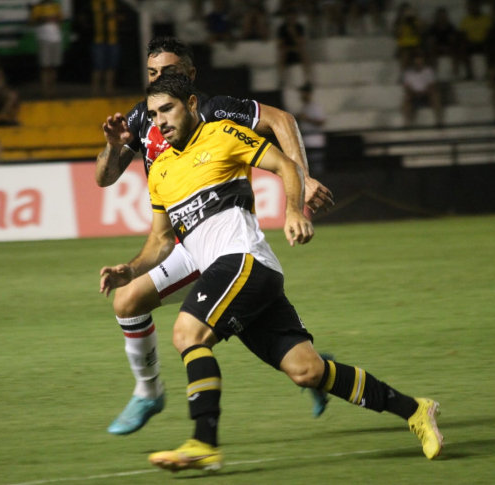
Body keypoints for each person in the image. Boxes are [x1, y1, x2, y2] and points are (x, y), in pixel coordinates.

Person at [99, 74, 444, 472]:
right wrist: (129, 269)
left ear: (191, 103)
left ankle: (203, 442)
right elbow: (160, 242)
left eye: (168, 109)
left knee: (187, 334)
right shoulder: (159, 171)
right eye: (155, 113)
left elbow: (283, 164)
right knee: (308, 371)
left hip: (243, 261)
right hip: (239, 277)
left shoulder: (222, 134)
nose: (160, 120)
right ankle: (417, 410)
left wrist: (295, 210)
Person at [95, 37, 334, 436]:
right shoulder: (144, 118)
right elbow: (104, 178)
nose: (158, 80)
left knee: (150, 309)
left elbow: (281, 120)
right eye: (152, 73)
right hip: (183, 239)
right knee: (127, 301)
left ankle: (175, 411)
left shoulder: (209, 109)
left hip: (221, 235)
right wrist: (111, 145)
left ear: (188, 75)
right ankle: (309, 367)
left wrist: (304, 180)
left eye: (168, 73)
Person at [30, 0, 63, 98]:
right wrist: (44, 19)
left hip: (56, 39)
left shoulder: (56, 6)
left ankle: (53, 91)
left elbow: (60, 20)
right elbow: (31, 22)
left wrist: (54, 20)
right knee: (45, 67)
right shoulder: (37, 8)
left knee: (54, 67)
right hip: (44, 39)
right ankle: (45, 91)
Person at [402, 52, 443, 127]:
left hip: (426, 95)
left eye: (420, 61)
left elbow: (432, 85)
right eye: (417, 61)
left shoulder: (428, 71)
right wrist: (415, 93)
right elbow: (407, 87)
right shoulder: (408, 73)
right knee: (406, 98)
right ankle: (406, 123)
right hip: (414, 96)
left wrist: (424, 92)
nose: (419, 63)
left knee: (435, 95)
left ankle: (439, 121)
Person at [91, 0, 120, 96]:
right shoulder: (94, 3)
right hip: (98, 39)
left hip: (113, 39)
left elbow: (122, 16)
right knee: (98, 67)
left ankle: (109, 90)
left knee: (111, 66)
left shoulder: (114, 2)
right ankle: (96, 91)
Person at [458, 0, 493, 80]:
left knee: (489, 46)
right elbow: (463, 36)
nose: (474, 8)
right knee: (462, 47)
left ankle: (489, 71)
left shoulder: (485, 19)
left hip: (483, 43)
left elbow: (488, 34)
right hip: (471, 44)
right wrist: (471, 43)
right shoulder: (465, 20)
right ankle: (469, 72)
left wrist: (481, 42)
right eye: (472, 7)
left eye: (475, 6)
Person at [295, 82, 326, 173]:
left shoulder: (316, 107)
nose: (301, 95)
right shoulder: (304, 107)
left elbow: (321, 122)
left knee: (317, 168)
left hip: (315, 142)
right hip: (306, 142)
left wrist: (306, 118)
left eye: (304, 93)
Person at [277, 7, 311, 86]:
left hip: (297, 51)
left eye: (293, 16)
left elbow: (302, 43)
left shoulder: (300, 27)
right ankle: (281, 80)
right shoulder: (282, 28)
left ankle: (307, 79)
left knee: (304, 53)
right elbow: (280, 45)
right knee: (282, 54)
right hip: (287, 52)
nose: (292, 18)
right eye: (290, 16)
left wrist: (293, 33)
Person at [427, 7, 459, 74]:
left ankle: (455, 73)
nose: (442, 18)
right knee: (431, 53)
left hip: (448, 48)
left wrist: (447, 47)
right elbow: (431, 41)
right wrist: (439, 47)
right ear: (437, 17)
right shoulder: (433, 28)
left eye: (443, 16)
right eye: (440, 16)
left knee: (456, 52)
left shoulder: (450, 27)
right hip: (437, 48)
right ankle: (433, 74)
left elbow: (453, 41)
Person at [393, 2, 424, 73]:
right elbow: (398, 33)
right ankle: (404, 75)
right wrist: (403, 20)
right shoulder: (399, 22)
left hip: (415, 45)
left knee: (420, 54)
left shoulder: (414, 21)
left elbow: (422, 28)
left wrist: (415, 15)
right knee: (405, 55)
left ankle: (420, 74)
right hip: (403, 46)